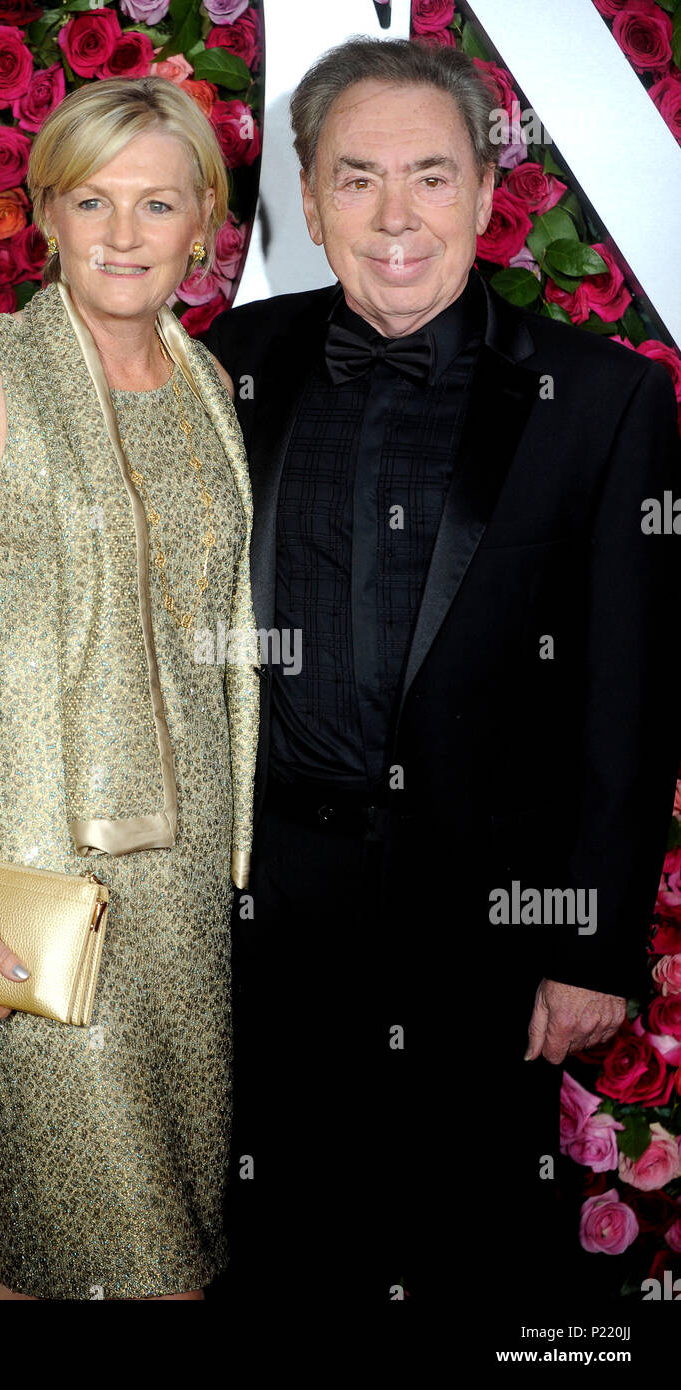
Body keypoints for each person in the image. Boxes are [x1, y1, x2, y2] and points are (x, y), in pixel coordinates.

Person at [200, 38, 681, 1304]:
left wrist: (591, 943)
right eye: (355, 178)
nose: (394, 215)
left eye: (427, 173)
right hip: (263, 903)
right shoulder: (229, 364)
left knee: (471, 1253)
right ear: (306, 201)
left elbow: (629, 693)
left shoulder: (600, 400)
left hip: (486, 918)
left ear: (483, 189)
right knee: (275, 1249)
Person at [0, 76, 258, 1302]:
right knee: (120, 1259)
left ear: (203, 224)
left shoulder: (206, 392)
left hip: (183, 901)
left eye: (156, 204)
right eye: (93, 200)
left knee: (78, 1259)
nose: (123, 235)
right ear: (46, 215)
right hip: (33, 883)